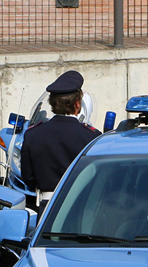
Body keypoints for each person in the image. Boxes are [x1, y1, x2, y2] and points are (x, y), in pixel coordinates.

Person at [19, 70, 100, 210]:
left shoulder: (33, 134)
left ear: (52, 104)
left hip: (47, 206)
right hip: (81, 206)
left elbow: (28, 178)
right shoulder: (90, 137)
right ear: (77, 104)